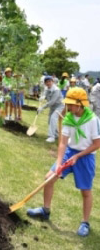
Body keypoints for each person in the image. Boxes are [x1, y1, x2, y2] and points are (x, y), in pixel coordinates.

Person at [27, 88, 100, 237]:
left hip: (86, 156)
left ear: (80, 104)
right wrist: (59, 163)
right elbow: (63, 143)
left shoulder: (93, 120)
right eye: (67, 104)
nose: (68, 107)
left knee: (85, 191)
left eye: (71, 104)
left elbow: (97, 143)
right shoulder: (68, 118)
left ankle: (85, 222)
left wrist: (78, 156)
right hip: (69, 153)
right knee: (49, 178)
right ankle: (45, 211)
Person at [38, 76, 64, 143]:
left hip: (60, 106)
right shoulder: (46, 88)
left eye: (50, 81)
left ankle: (51, 137)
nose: (48, 83)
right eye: (47, 82)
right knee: (50, 120)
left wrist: (42, 108)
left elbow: (52, 101)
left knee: (53, 118)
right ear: (45, 83)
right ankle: (56, 134)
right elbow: (45, 95)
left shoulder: (56, 90)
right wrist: (42, 97)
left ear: (52, 82)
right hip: (53, 106)